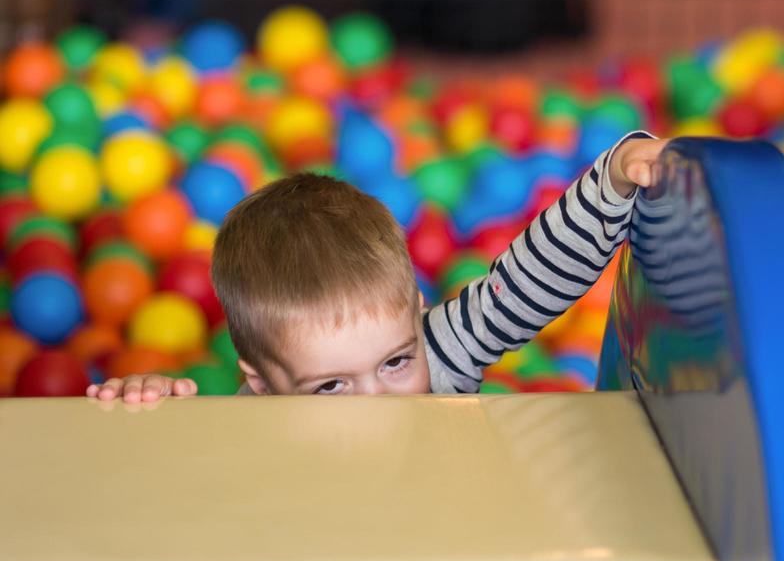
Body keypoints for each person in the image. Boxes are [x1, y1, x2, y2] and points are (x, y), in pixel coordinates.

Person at [87, 134, 666, 401]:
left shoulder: (438, 355)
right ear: (262, 385)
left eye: (394, 362)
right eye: (332, 387)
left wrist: (612, 179)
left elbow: (524, 284)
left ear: (417, 316)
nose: (376, 403)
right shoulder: (249, 425)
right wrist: (151, 410)